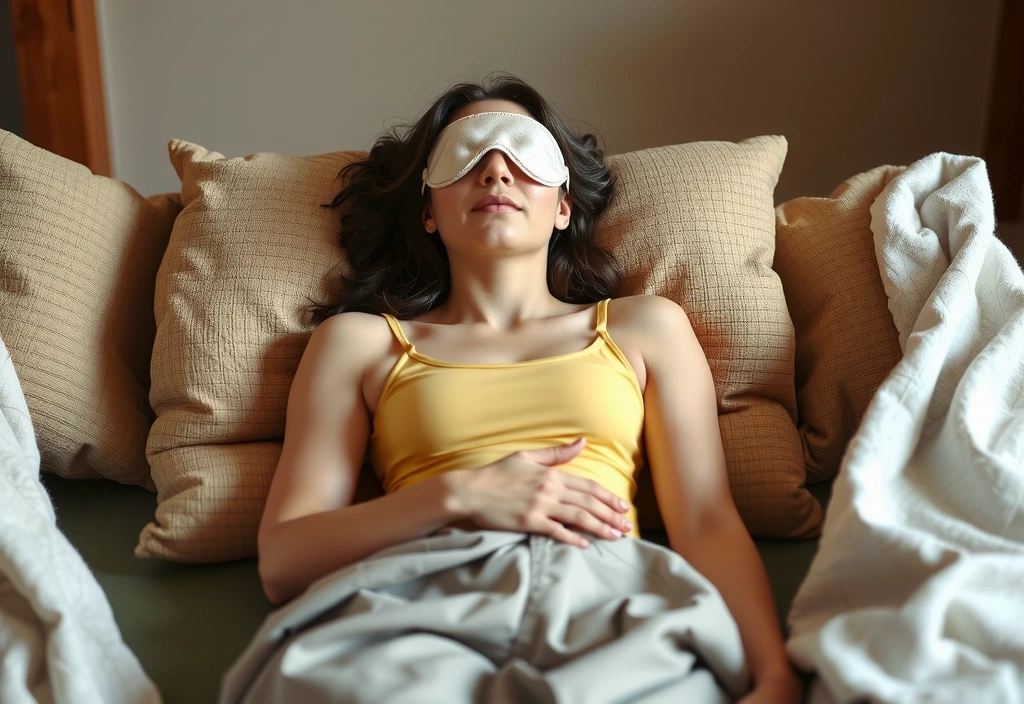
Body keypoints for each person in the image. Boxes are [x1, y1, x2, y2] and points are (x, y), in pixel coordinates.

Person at [237, 73, 802, 704]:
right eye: (467, 153)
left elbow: (705, 522)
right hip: (418, 607)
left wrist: (772, 673)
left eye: (524, 154)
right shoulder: (358, 343)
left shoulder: (648, 326)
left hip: (610, 605)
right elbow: (284, 561)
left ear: (563, 205)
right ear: (428, 207)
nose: (497, 171)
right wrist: (463, 493)